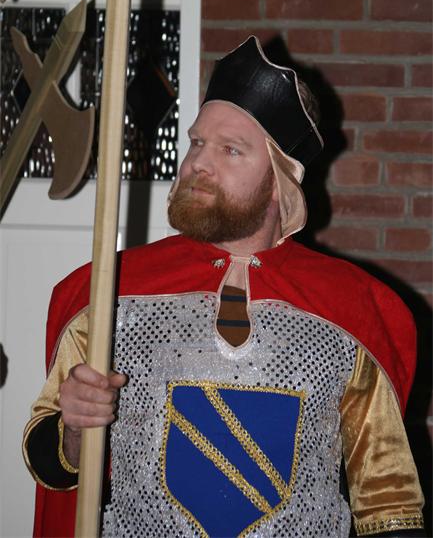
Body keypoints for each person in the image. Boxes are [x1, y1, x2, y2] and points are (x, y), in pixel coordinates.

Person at [23, 37, 425, 537]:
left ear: (280, 181)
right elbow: (51, 466)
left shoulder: (354, 310)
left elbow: (388, 501)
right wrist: (75, 432)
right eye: (196, 143)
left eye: (230, 149)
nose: (197, 163)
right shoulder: (108, 293)